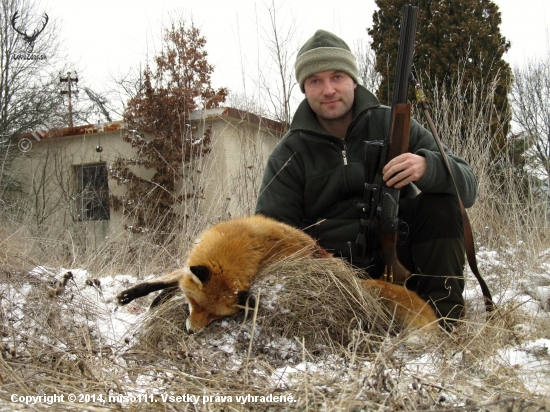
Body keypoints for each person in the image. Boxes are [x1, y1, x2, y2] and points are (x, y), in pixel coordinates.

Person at [255, 29, 478, 327]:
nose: (328, 90)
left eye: (337, 77)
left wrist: (428, 167)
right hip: (331, 279)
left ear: (353, 80)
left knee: (442, 205)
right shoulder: (288, 154)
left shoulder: (392, 122)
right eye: (315, 80)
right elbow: (270, 233)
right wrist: (319, 268)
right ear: (304, 89)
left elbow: (468, 187)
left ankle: (446, 325)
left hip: (402, 257)